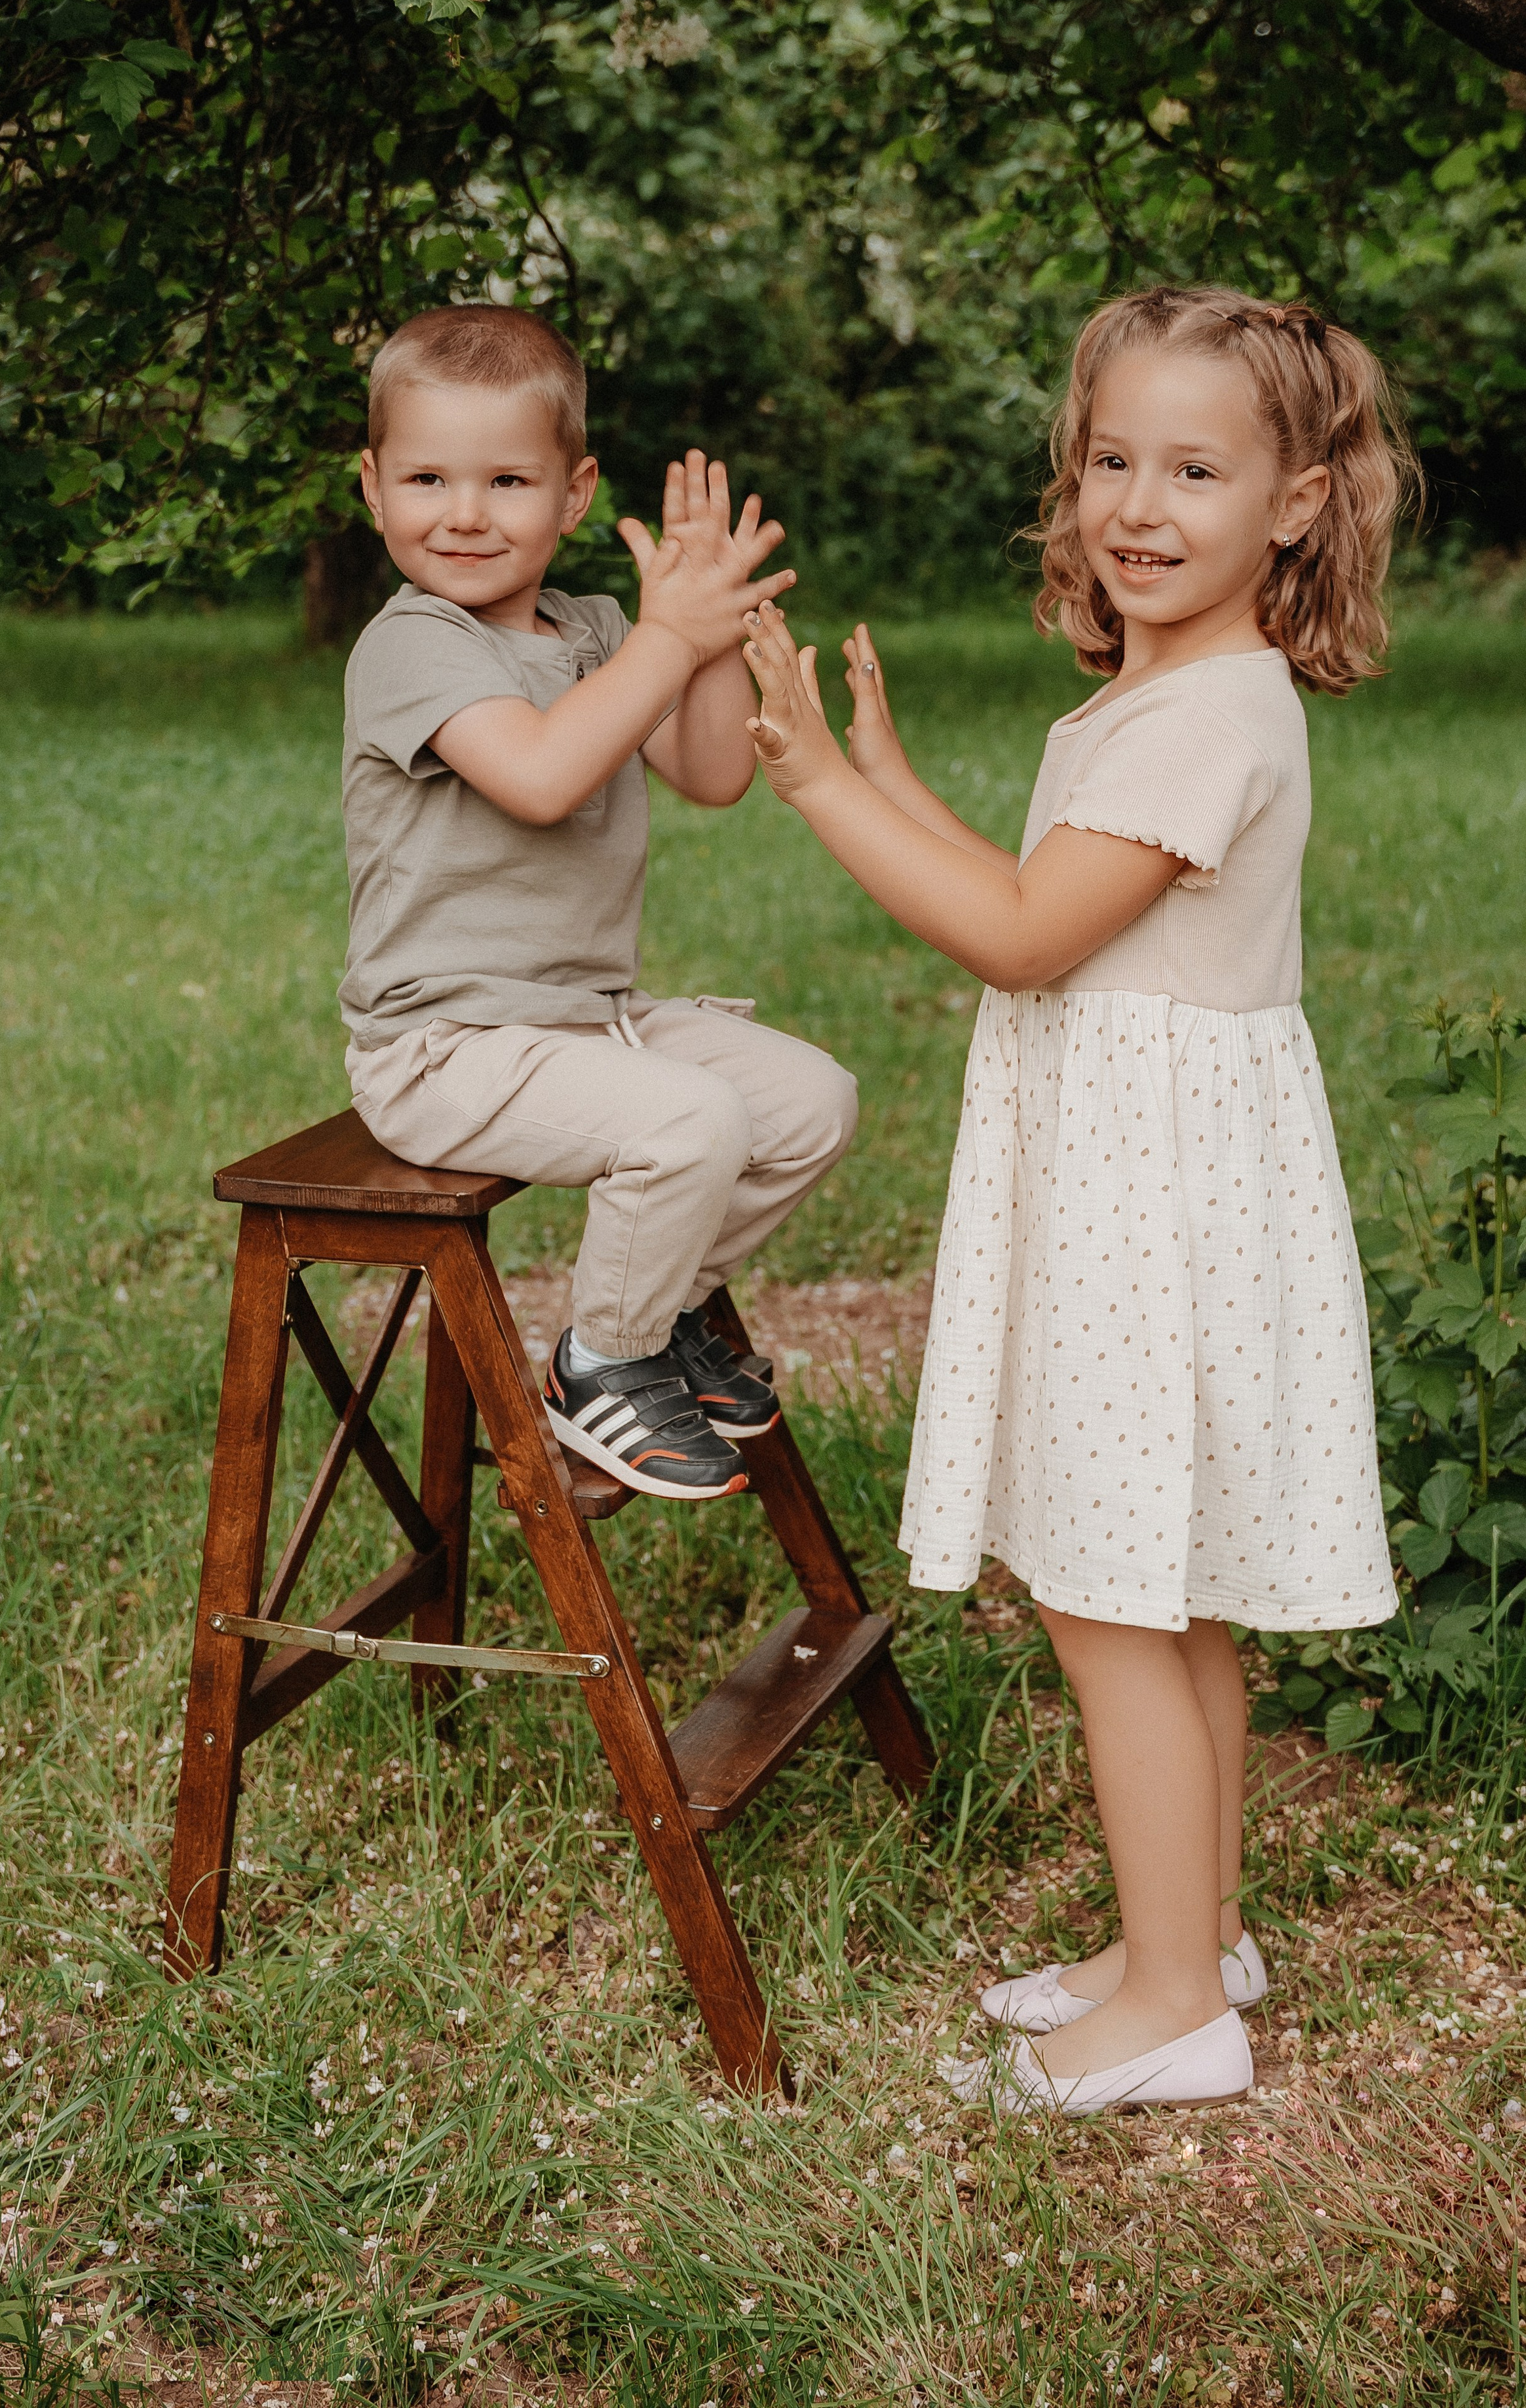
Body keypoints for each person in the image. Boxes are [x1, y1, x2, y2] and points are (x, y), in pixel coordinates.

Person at [739, 284, 1413, 2115]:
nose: (1140, 501)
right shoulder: (1166, 690)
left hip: (1155, 1203)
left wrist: (804, 778)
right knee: (1166, 1593)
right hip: (1152, 1183)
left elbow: (1018, 938)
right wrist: (887, 776)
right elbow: (1050, 901)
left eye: (1197, 467)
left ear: (1295, 501)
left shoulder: (1211, 714)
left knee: (1117, 1598)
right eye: (1114, 456)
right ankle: (1191, 1939)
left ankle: (1180, 2010)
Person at [340, 303, 860, 1500]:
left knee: (806, 1102)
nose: (465, 513)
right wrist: (666, 644)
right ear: (373, 489)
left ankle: (662, 1319)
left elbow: (716, 774)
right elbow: (540, 776)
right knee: (686, 1123)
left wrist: (707, 632)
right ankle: (603, 1366)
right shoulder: (411, 645)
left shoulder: (597, 630)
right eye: (427, 477)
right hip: (443, 1049)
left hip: (583, 1021)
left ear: (573, 496)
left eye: (507, 480)